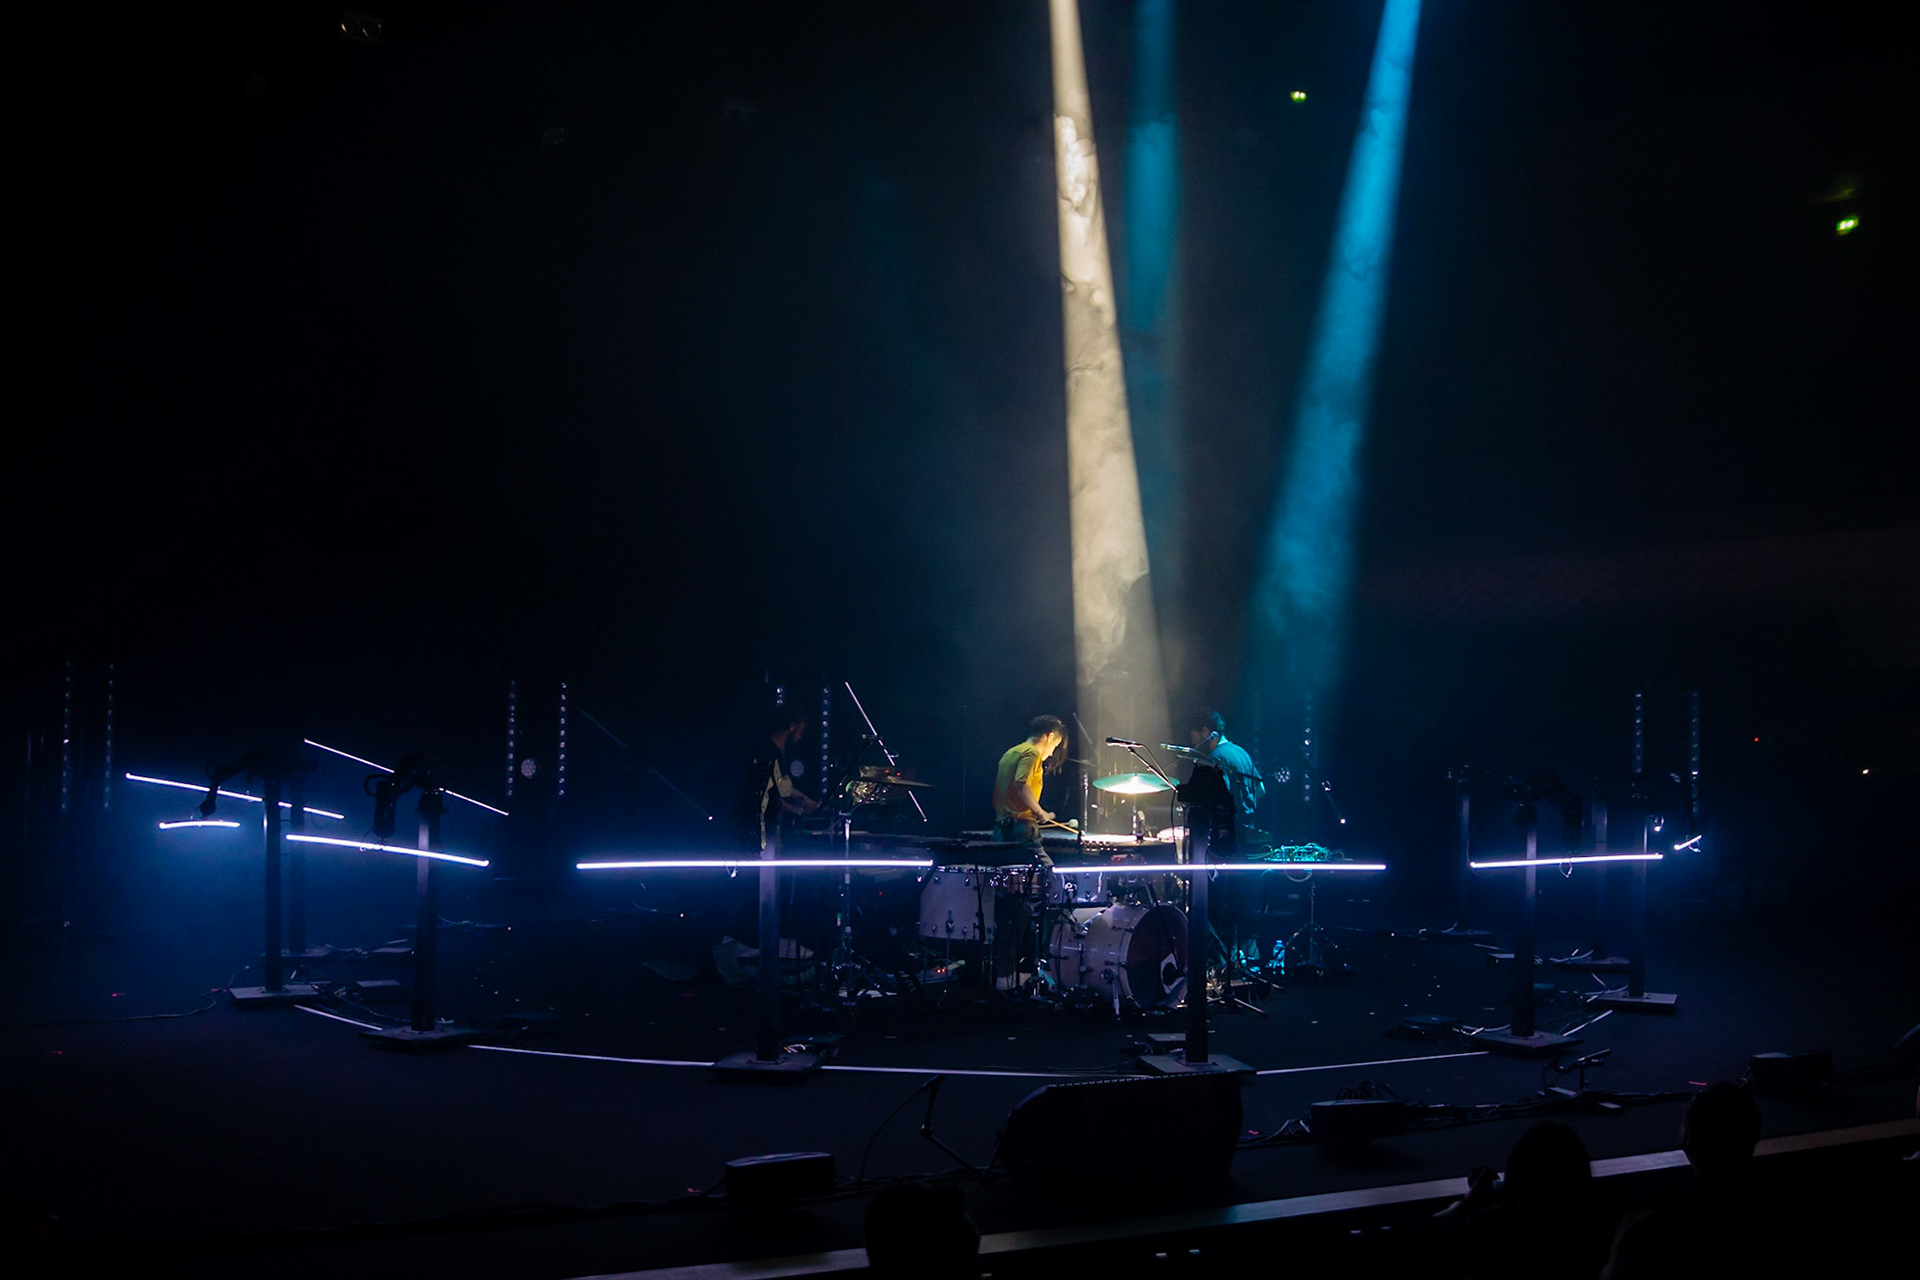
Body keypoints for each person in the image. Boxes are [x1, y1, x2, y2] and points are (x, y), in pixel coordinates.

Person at [744, 707, 819, 853]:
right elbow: (765, 793)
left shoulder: (776, 753)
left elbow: (785, 787)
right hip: (756, 827)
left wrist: (809, 803)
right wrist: (794, 809)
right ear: (791, 727)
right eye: (799, 732)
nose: (800, 737)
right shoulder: (765, 751)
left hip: (769, 825)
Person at [991, 715, 1066, 856]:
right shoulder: (1032, 754)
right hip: (1021, 831)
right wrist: (1040, 812)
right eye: (1055, 746)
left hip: (1001, 830)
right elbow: (1020, 787)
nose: (1051, 754)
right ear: (1050, 736)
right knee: (1049, 875)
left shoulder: (1010, 753)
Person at [1186, 708, 1264, 831]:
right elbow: (1260, 790)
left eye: (1194, 736)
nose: (1194, 743)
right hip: (1249, 828)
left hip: (1228, 832)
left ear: (1205, 732)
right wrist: (1244, 806)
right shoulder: (1242, 752)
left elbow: (1222, 797)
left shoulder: (1216, 758)